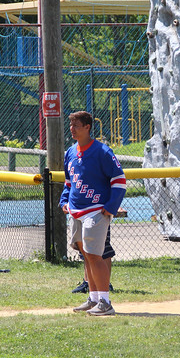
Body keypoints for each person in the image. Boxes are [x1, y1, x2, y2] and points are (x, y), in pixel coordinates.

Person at [61, 111, 126, 316]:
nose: (72, 129)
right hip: (76, 210)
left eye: (77, 125)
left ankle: (106, 302)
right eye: (71, 125)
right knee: (86, 256)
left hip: (96, 210)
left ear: (88, 127)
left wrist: (111, 206)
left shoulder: (102, 151)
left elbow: (119, 181)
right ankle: (94, 298)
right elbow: (69, 182)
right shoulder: (70, 152)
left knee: (96, 256)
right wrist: (64, 200)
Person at [71, 228, 115, 294]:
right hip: (80, 217)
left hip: (98, 218)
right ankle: (87, 283)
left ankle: (106, 283)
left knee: (103, 245)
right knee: (84, 245)